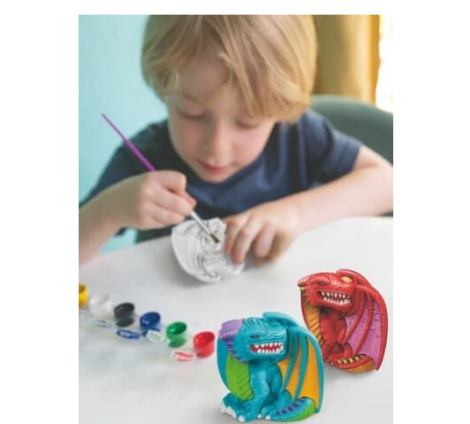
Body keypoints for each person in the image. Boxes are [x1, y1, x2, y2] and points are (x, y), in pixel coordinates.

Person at [79, 15, 393, 266]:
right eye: (192, 113)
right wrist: (109, 210)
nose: (217, 148)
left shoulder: (296, 137)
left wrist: (293, 213)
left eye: (248, 123)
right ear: (164, 88)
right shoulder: (142, 158)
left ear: (279, 111)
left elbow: (387, 183)